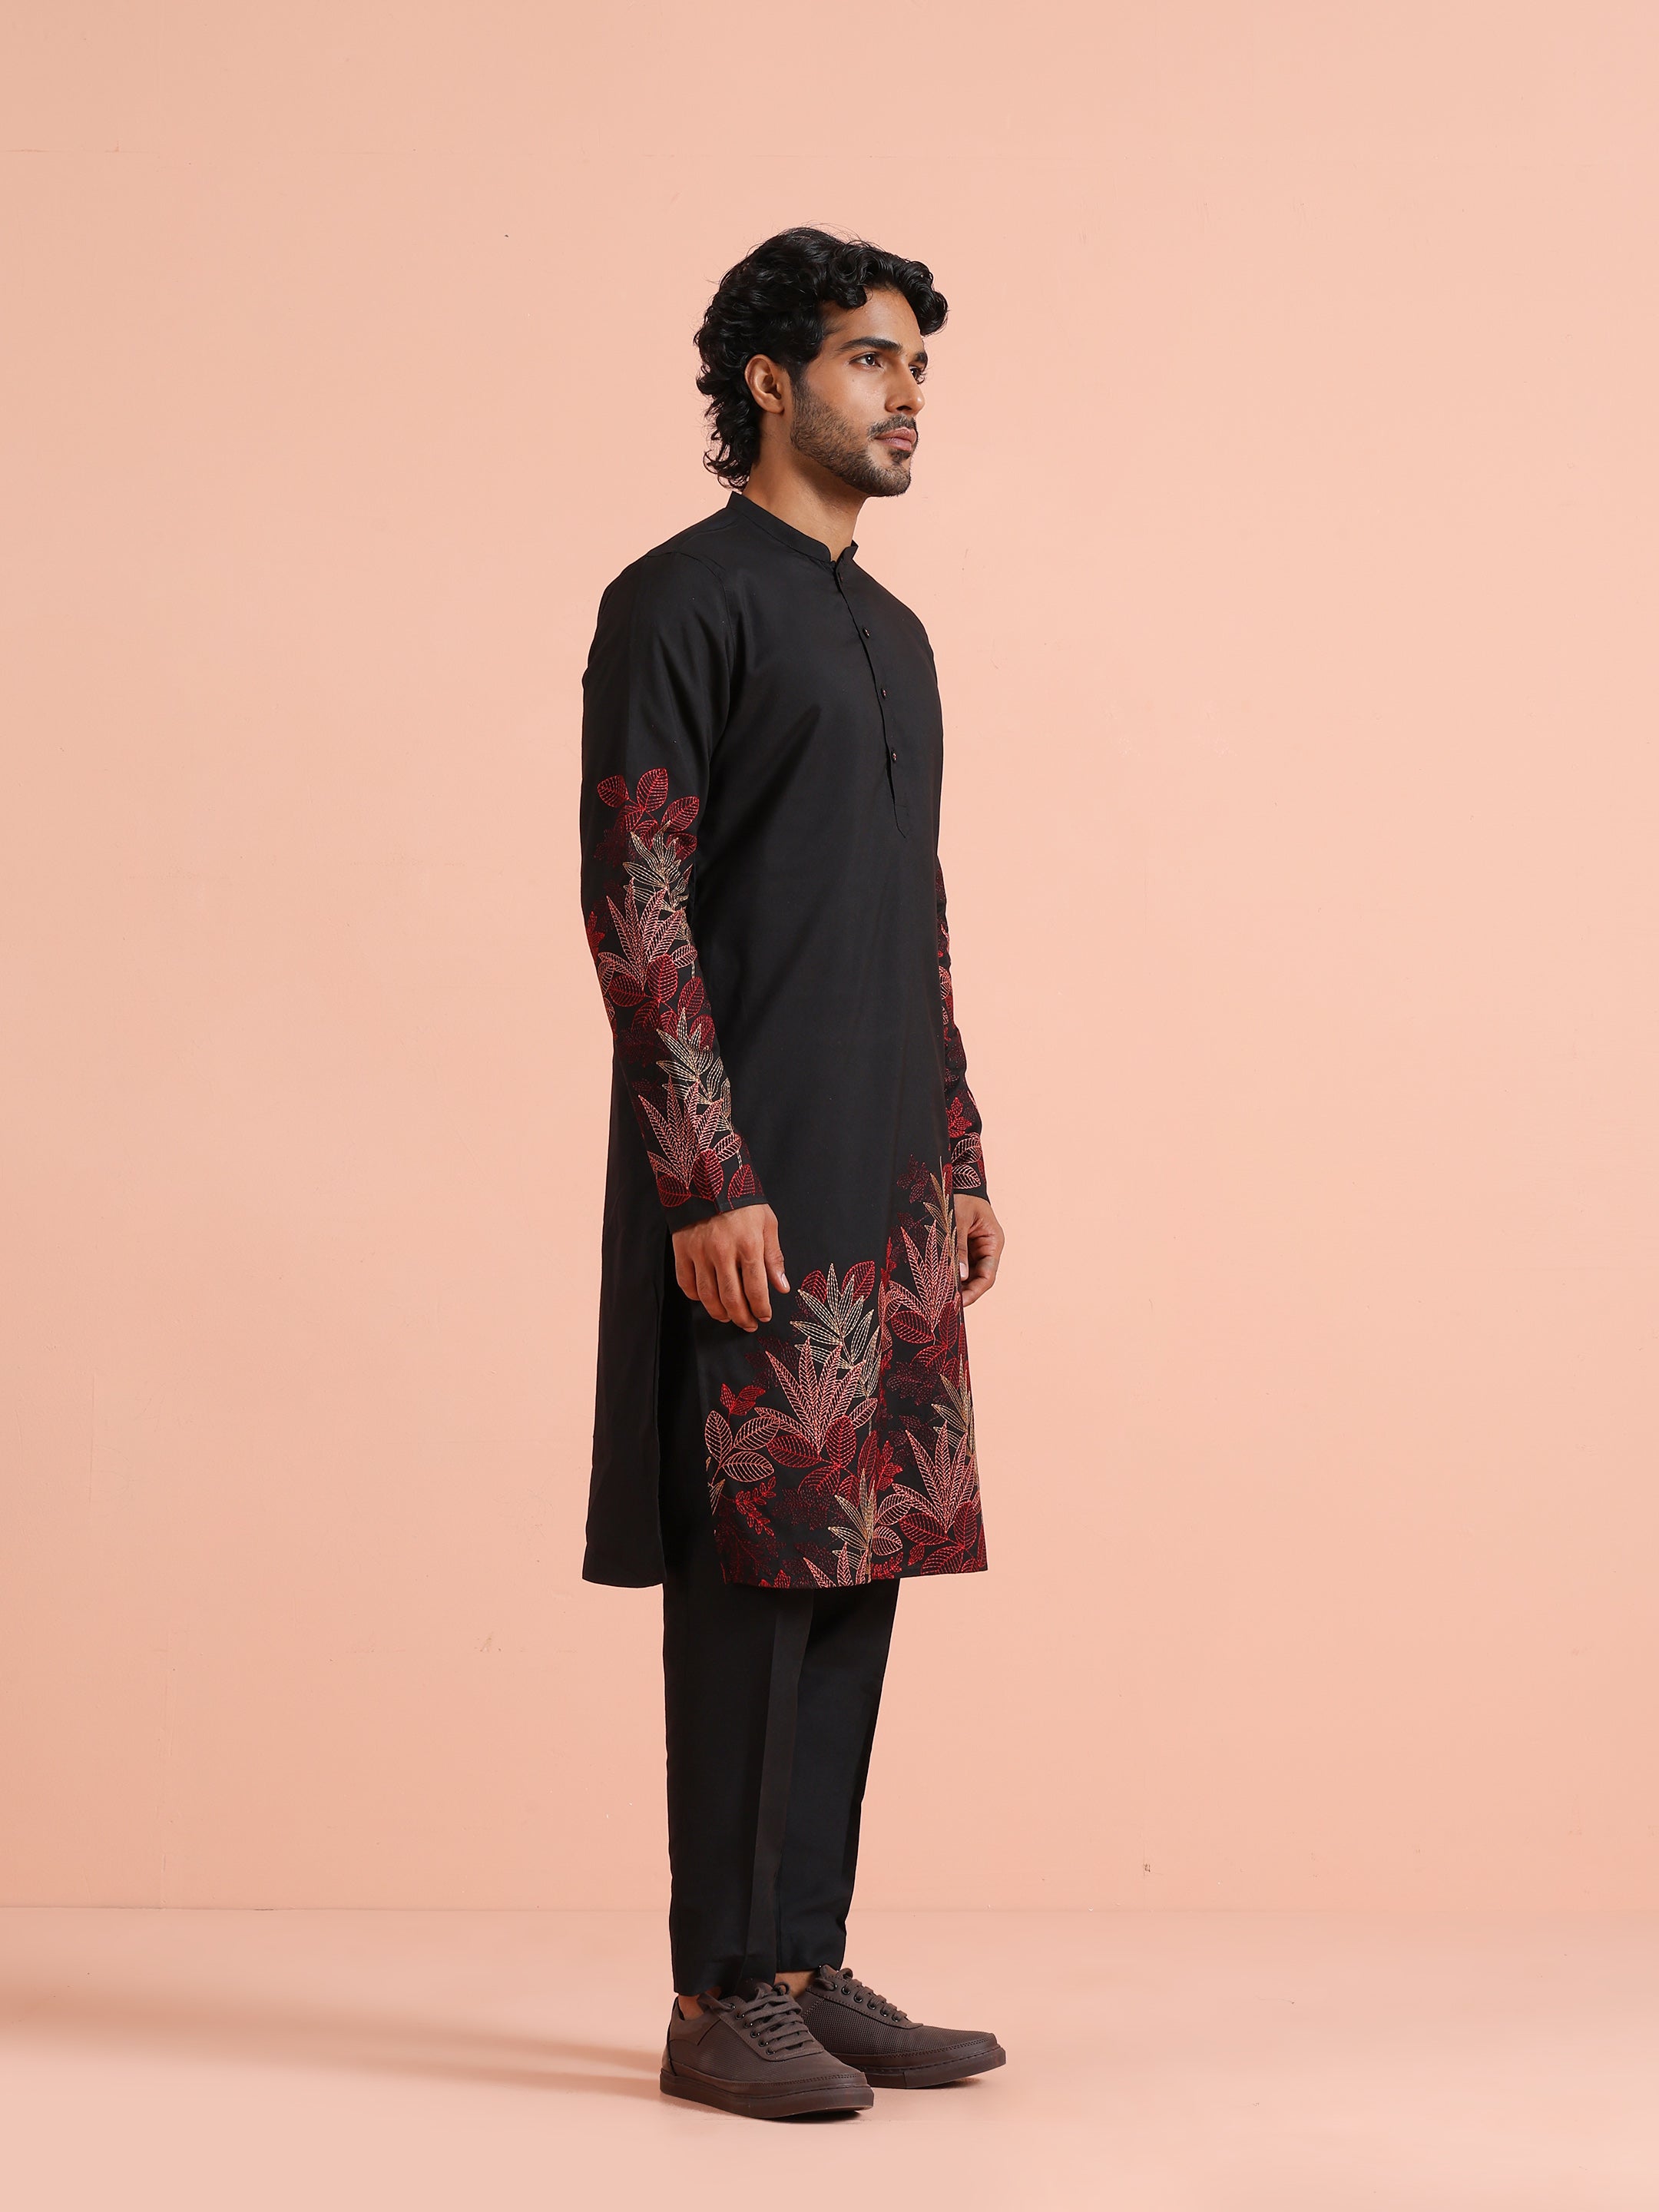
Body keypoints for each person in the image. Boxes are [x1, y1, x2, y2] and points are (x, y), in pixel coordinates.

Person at [578, 227, 1006, 2121]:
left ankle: (807, 1967)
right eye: (868, 358)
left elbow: (916, 911)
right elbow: (638, 897)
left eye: (917, 366)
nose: (905, 395)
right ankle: (717, 1995)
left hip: (887, 1168)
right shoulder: (681, 601)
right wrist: (705, 1175)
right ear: (770, 380)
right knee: (753, 1569)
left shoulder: (892, 633)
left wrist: (961, 1150)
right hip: (750, 1170)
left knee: (858, 1555)